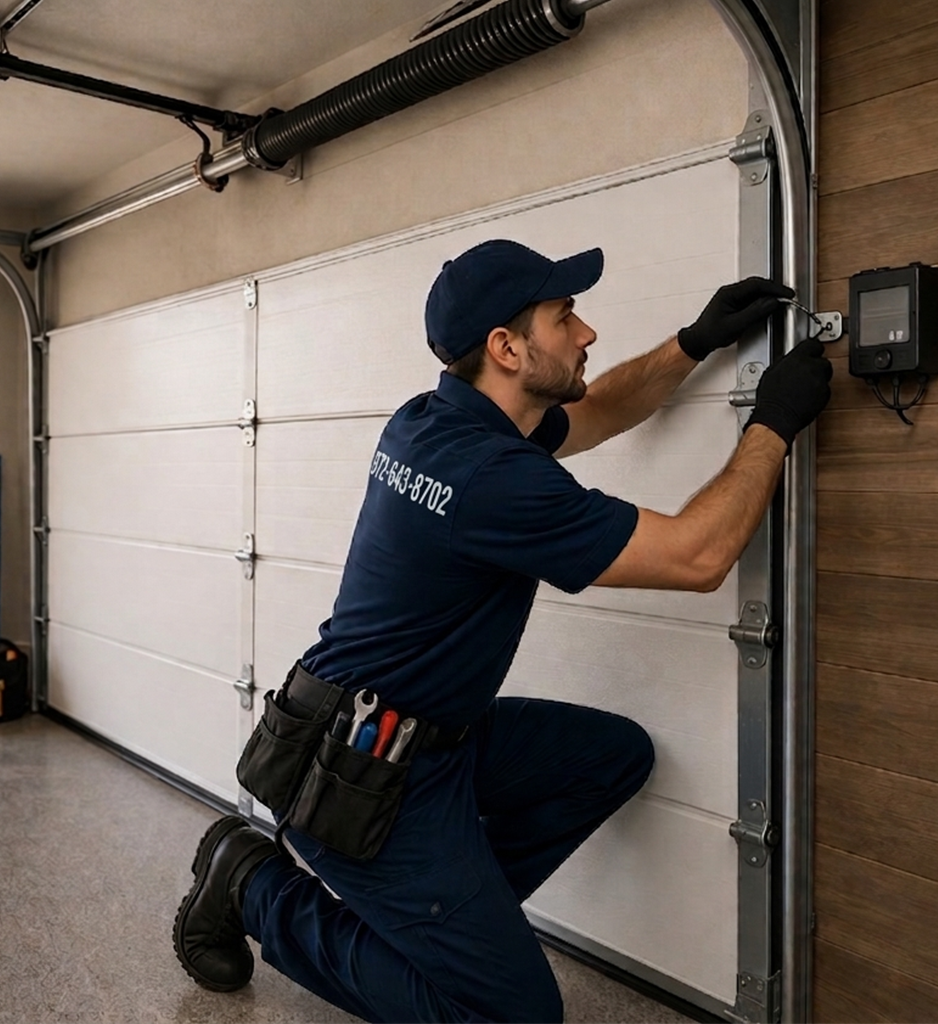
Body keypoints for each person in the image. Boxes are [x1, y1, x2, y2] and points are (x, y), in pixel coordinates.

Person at [172, 239, 832, 1023]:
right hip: (362, 780)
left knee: (611, 758)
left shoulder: (435, 422)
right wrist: (773, 426)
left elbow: (596, 412)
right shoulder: (493, 478)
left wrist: (693, 342)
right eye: (565, 316)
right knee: (516, 1017)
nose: (586, 333)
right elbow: (700, 555)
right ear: (507, 347)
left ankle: (452, 919)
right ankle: (253, 885)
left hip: (416, 739)